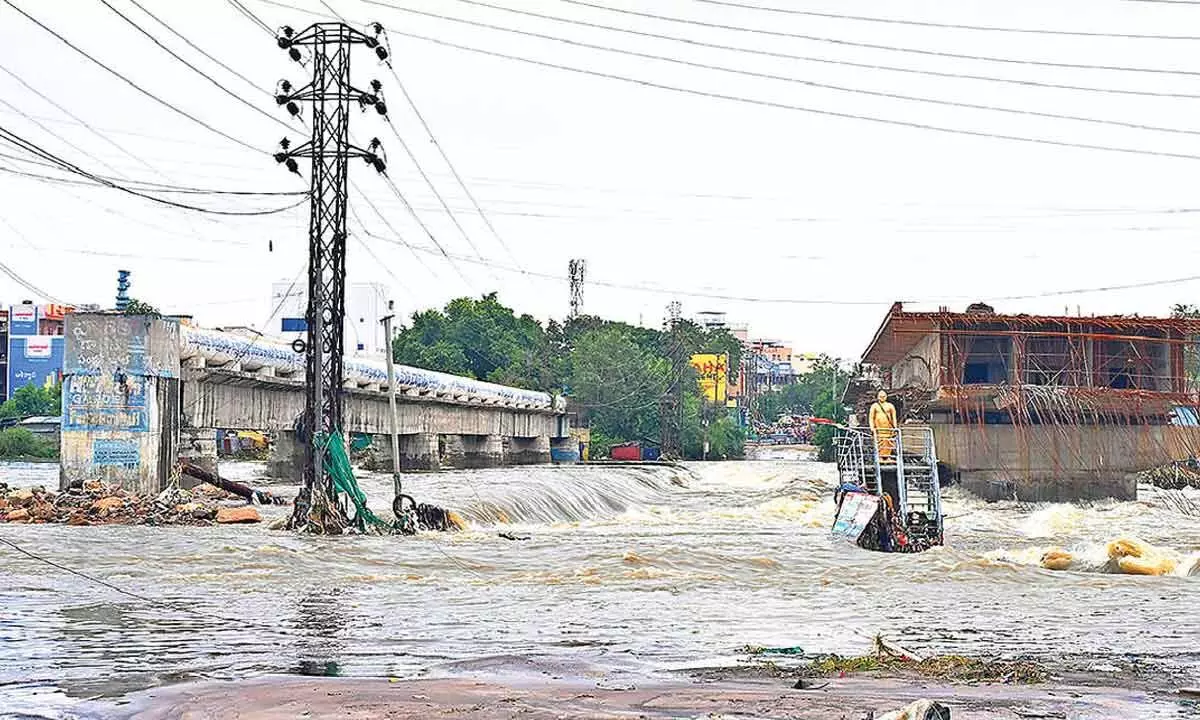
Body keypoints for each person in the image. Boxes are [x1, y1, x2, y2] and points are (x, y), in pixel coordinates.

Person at [869, 390, 898, 462]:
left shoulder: (890, 406)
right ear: (877, 397)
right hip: (878, 428)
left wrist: (895, 427)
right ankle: (880, 457)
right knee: (880, 441)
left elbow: (894, 417)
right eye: (880, 396)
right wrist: (872, 427)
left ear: (886, 397)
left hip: (888, 428)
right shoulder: (874, 406)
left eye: (883, 396)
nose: (882, 398)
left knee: (888, 441)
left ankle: (887, 457)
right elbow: (871, 417)